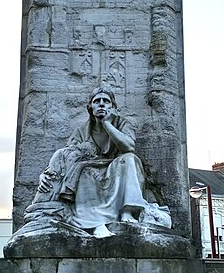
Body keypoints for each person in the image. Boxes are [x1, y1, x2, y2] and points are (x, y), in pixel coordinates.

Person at [32, 87, 146, 238]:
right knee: (82, 171)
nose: (101, 104)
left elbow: (129, 147)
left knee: (130, 159)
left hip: (116, 169)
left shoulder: (121, 123)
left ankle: (127, 212)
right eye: (96, 101)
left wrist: (107, 124)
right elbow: (66, 155)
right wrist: (47, 174)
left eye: (106, 101)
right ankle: (95, 223)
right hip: (90, 171)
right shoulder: (81, 131)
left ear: (112, 106)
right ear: (90, 107)